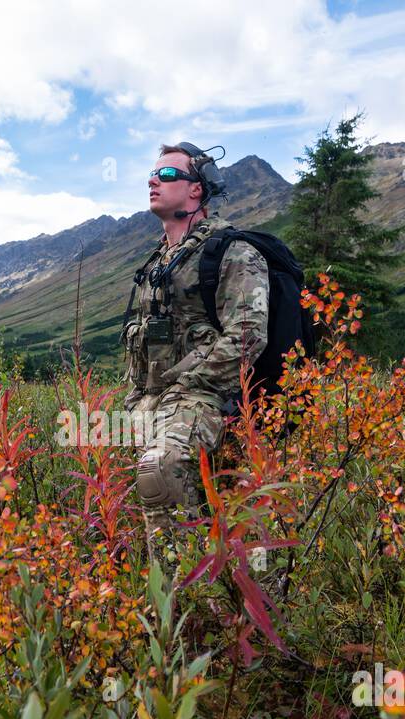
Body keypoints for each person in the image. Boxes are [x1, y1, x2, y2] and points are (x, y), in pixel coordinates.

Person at [122, 142, 269, 578]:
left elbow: (247, 335)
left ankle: (185, 595)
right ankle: (154, 594)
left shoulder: (233, 252)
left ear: (196, 191)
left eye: (167, 175)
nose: (153, 180)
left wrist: (189, 385)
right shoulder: (157, 261)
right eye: (152, 173)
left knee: (159, 468)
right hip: (147, 402)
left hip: (205, 398)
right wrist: (136, 397)